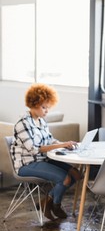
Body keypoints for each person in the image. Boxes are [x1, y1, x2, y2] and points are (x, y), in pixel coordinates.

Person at [11, 83, 82, 220]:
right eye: (44, 107)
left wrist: (64, 144)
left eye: (48, 108)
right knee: (65, 178)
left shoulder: (41, 121)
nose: (46, 111)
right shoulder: (23, 123)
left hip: (42, 160)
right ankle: (56, 205)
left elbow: (50, 140)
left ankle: (46, 201)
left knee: (76, 173)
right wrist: (60, 145)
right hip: (27, 164)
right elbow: (34, 149)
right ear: (33, 104)